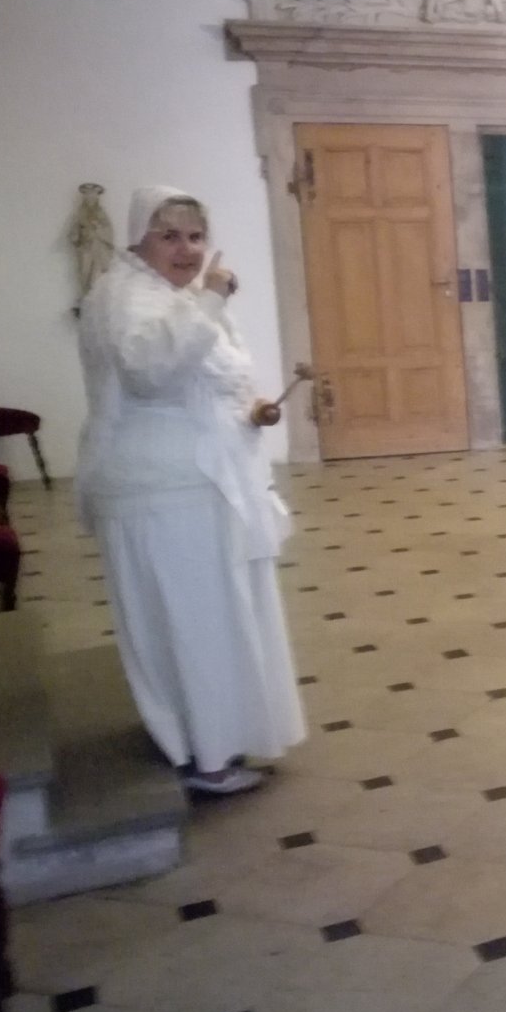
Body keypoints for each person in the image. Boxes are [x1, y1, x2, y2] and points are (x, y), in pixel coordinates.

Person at [76, 186, 305, 795]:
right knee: (193, 623)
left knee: (214, 618)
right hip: (164, 491)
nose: (187, 249)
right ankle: (207, 757)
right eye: (169, 235)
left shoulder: (173, 296)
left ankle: (213, 737)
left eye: (196, 236)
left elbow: (207, 380)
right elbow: (150, 373)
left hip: (202, 485)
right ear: (138, 240)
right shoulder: (125, 295)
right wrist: (212, 295)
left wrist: (250, 408)